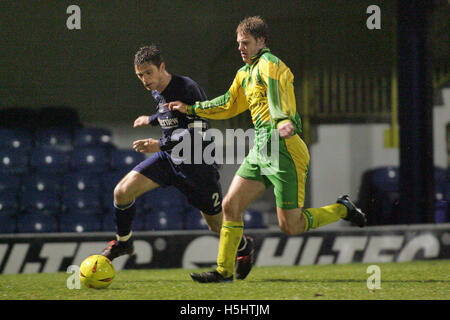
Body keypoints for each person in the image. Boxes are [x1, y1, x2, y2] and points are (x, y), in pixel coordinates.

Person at [167, 16, 367, 283]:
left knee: (290, 226)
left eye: (245, 43)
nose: (240, 48)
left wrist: (283, 119)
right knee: (231, 204)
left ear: (261, 42)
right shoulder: (244, 73)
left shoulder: (270, 65)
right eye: (238, 43)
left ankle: (343, 209)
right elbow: (228, 104)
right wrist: (191, 109)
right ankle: (224, 271)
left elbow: (277, 95)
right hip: (262, 146)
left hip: (285, 148)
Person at [101, 45, 254, 280]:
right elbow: (168, 115)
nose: (145, 80)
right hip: (169, 160)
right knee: (121, 192)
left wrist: (159, 144)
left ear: (162, 67)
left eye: (148, 73)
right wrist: (150, 119)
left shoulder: (187, 88)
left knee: (216, 225)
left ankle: (243, 247)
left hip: (197, 165)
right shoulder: (156, 91)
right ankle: (123, 243)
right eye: (140, 75)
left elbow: (197, 133)